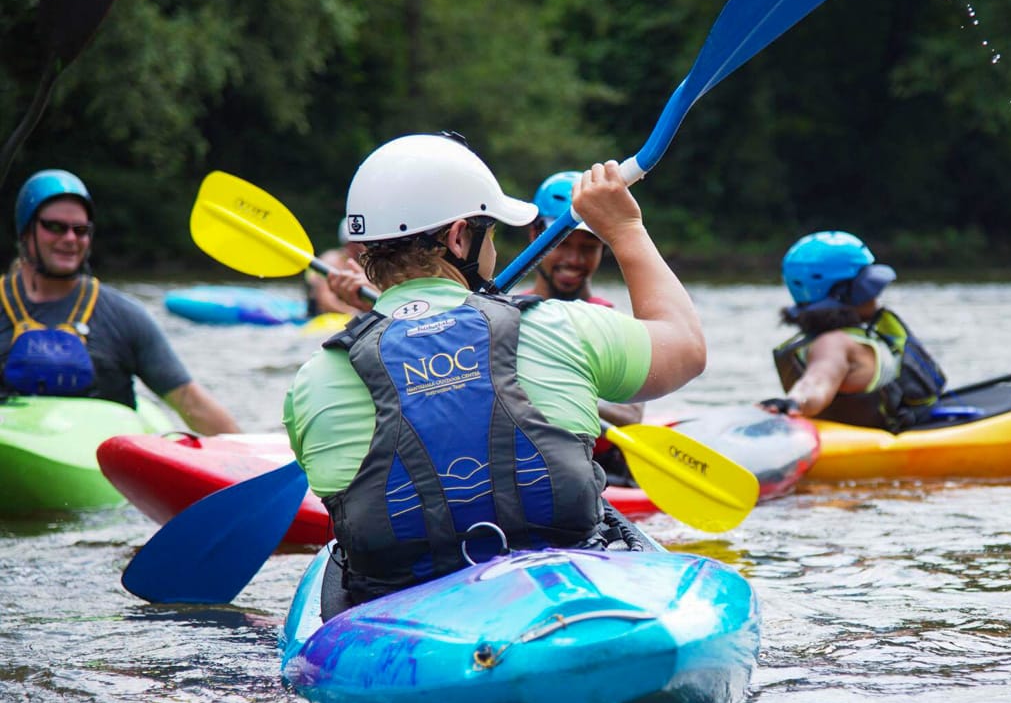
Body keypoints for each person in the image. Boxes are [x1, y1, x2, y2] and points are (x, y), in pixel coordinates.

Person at [284, 133, 705, 607]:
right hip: (576, 603)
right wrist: (626, 228)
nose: (496, 252)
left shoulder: (313, 381)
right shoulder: (558, 326)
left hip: (401, 626)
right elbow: (687, 348)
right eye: (491, 234)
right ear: (460, 237)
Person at [1, 169, 239, 434]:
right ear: (25, 232)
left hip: (95, 462)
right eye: (55, 227)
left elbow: (189, 401)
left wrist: (258, 464)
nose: (69, 239)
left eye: (80, 230)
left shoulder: (125, 316)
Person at [760, 230, 945, 431]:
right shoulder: (833, 343)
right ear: (841, 294)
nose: (876, 296)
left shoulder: (844, 338)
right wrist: (796, 402)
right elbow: (817, 381)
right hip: (886, 443)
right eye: (869, 286)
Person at [523, 170, 643, 432]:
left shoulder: (611, 321)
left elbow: (632, 414)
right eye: (562, 244)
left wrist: (554, 395)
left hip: (596, 465)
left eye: (588, 247)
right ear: (534, 235)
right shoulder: (504, 313)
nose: (575, 259)